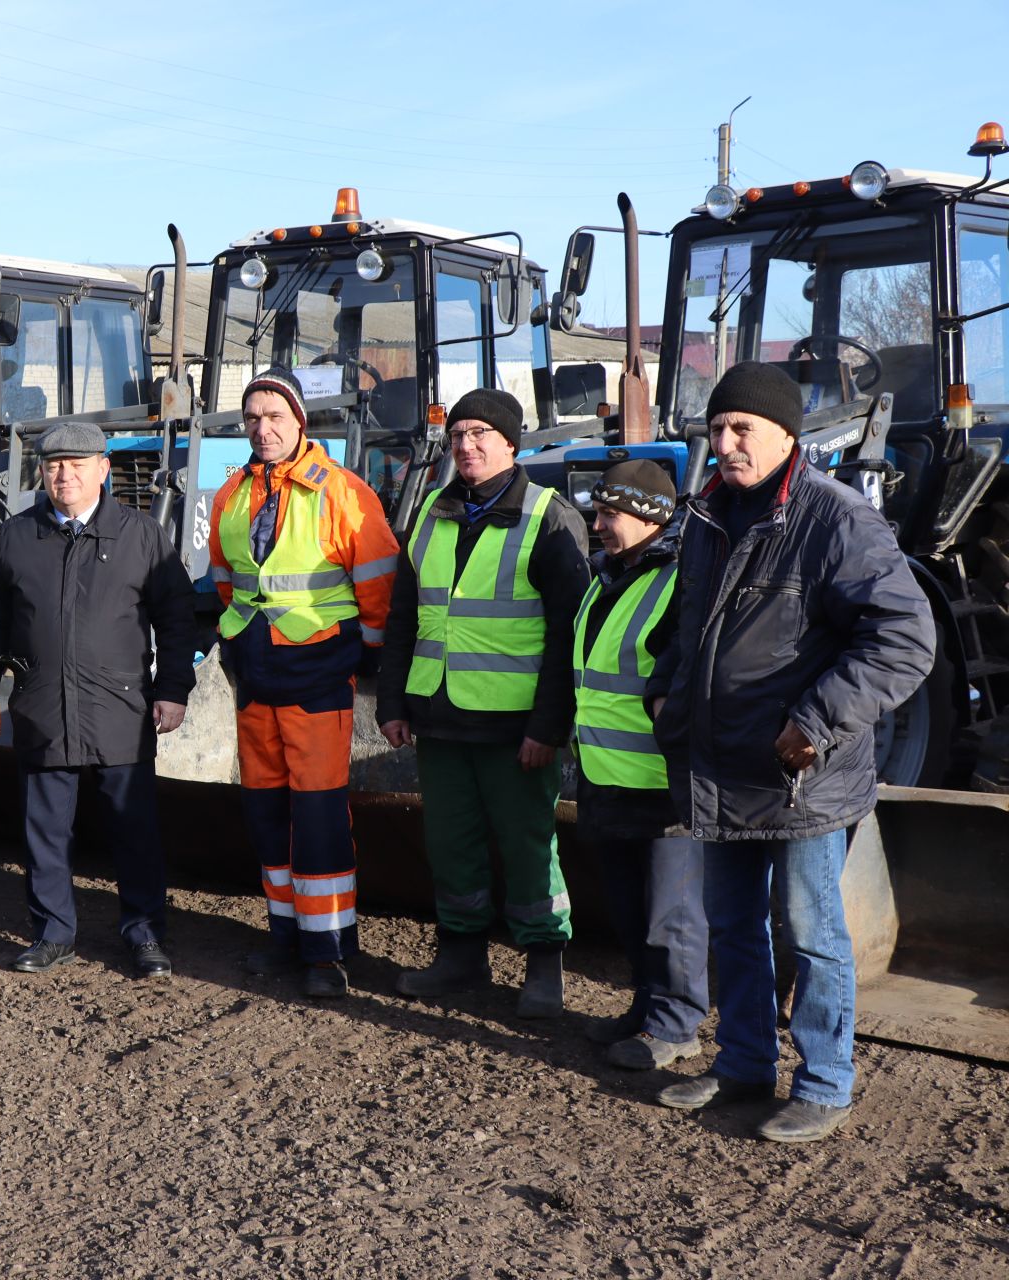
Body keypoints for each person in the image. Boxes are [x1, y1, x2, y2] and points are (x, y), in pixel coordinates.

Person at [652, 361, 933, 1142]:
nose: (726, 441)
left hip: (799, 772)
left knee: (811, 932)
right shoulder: (707, 518)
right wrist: (666, 692)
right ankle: (743, 1063)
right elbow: (688, 631)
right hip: (720, 766)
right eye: (717, 428)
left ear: (786, 433)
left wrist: (814, 721)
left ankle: (823, 1081)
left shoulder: (837, 520)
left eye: (742, 427)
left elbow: (906, 640)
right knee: (732, 926)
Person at [377, 388, 589, 1017]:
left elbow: (568, 637)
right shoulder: (433, 514)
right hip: (438, 719)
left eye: (480, 434)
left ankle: (544, 963)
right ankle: (460, 955)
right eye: (458, 435)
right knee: (451, 842)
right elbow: (403, 618)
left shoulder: (549, 519)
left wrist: (548, 726)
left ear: (510, 444)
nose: (465, 446)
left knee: (528, 844)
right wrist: (392, 702)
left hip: (515, 727)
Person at [0, 421, 195, 978]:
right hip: (42, 708)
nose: (62, 475)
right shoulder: (15, 536)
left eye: (75, 464)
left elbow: (176, 620)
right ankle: (52, 934)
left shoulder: (140, 536)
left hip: (122, 708)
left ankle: (143, 935)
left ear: (102, 469)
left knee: (133, 829)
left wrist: (172, 691)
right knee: (44, 831)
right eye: (51, 465)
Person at [207, 369, 400, 999]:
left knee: (316, 815)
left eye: (275, 417)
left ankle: (329, 951)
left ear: (300, 422)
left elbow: (378, 585)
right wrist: (236, 645)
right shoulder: (231, 494)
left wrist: (364, 657)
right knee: (266, 813)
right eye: (252, 418)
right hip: (255, 674)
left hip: (318, 673)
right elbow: (226, 577)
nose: (263, 430)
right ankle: (284, 935)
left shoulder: (342, 491)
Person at [571, 460, 708, 1069]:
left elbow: (682, 675)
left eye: (609, 515)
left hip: (660, 786)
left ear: (650, 518)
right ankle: (647, 1006)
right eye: (597, 512)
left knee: (670, 918)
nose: (597, 525)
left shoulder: (678, 579)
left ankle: (677, 1025)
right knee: (630, 912)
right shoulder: (608, 577)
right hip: (606, 777)